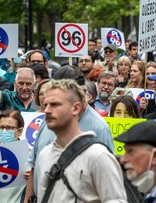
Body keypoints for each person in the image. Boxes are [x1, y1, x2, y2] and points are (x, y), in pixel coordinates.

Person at [24, 66, 114, 202]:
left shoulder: (99, 128)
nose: (48, 110)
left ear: (83, 92)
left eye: (58, 101)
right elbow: (34, 167)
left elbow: (108, 186)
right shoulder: (47, 121)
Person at [36, 79, 127, 203]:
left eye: (55, 104)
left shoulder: (98, 156)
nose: (47, 110)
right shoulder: (44, 155)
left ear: (75, 108)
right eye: (45, 105)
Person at [0, 110, 28, 203]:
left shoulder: (29, 156)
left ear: (19, 131)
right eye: (1, 127)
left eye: (9, 128)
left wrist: (33, 176)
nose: (4, 131)